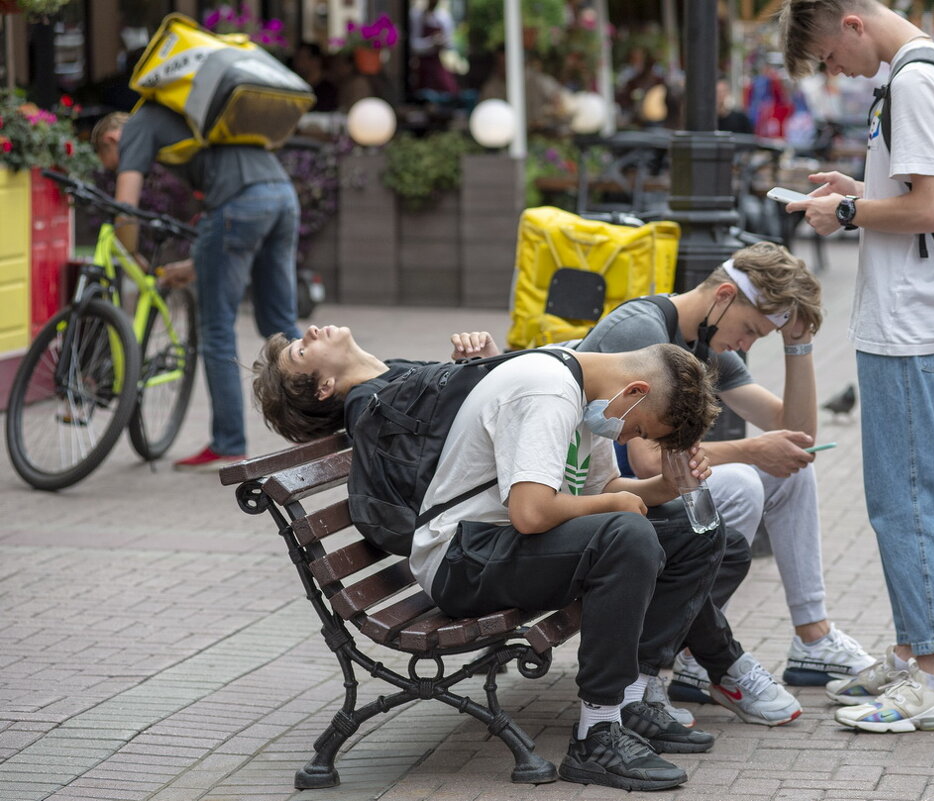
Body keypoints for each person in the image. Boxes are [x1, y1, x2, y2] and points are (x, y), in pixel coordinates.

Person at [250, 324, 760, 789]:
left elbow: (605, 486)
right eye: (642, 428)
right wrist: (616, 506)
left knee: (694, 529)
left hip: (499, 546)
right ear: (635, 393)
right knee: (626, 534)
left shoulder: (581, 387)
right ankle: (597, 735)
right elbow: (532, 513)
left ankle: (632, 701)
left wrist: (665, 486)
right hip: (460, 559)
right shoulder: (547, 390)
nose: (630, 438)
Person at [560, 242, 875, 725]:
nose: (747, 345)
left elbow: (799, 435)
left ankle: (812, 635)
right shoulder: (645, 329)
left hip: (647, 500)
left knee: (791, 469)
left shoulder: (709, 344)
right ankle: (687, 649)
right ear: (724, 295)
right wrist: (750, 450)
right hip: (612, 498)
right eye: (750, 330)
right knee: (746, 481)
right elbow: (648, 462)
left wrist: (798, 344)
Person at [777, 0, 934, 733]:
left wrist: (850, 217)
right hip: (921, 316)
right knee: (913, 495)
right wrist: (861, 194)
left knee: (909, 502)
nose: (836, 71)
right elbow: (923, 201)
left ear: (853, 23)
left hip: (908, 323)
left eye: (829, 55)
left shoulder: (915, 81)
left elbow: (929, 209)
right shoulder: (931, 68)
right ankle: (911, 652)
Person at [92, 107, 301, 472]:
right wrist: (193, 267)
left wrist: (132, 255)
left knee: (217, 330)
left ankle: (228, 443)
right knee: (282, 325)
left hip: (238, 206)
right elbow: (233, 231)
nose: (119, 166)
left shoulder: (137, 125)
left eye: (111, 162)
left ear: (111, 140)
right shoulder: (189, 114)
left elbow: (126, 204)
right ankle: (332, 423)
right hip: (282, 197)